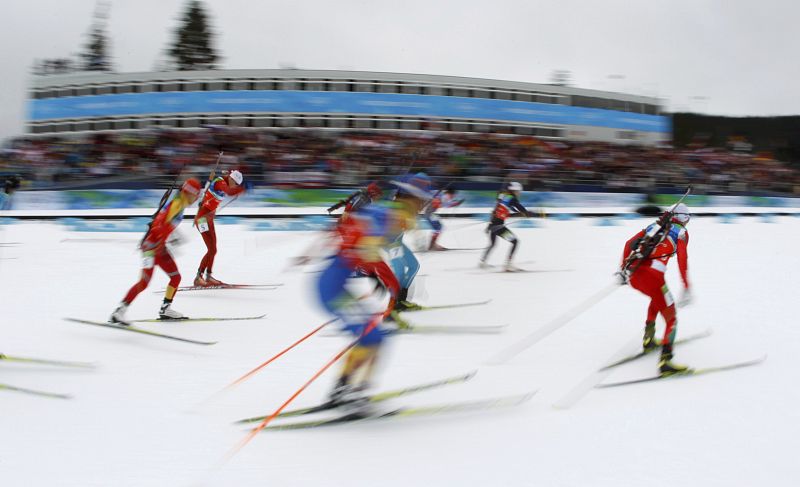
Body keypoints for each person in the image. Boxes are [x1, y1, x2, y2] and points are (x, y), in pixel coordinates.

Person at [318, 176, 430, 416]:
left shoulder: (386, 217)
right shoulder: (385, 217)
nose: (419, 210)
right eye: (419, 203)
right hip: (331, 287)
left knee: (373, 337)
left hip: (335, 286)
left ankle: (344, 390)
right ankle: (352, 393)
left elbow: (355, 237)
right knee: (373, 337)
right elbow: (361, 240)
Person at [110, 178, 202, 324]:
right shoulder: (177, 204)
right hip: (150, 247)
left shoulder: (180, 204)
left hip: (159, 247)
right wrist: (161, 240)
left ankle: (165, 309)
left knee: (175, 277)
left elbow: (165, 224)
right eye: (195, 195)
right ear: (188, 193)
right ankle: (119, 312)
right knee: (144, 283)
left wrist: (172, 237)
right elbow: (158, 224)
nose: (196, 198)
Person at [618, 203, 692, 376]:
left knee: (657, 298)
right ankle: (666, 361)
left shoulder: (655, 226)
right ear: (684, 218)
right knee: (671, 317)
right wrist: (686, 285)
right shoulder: (681, 232)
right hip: (653, 278)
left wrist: (623, 268)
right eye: (688, 219)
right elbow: (682, 259)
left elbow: (629, 243)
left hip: (634, 274)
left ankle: (649, 339)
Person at [193, 170, 246, 287]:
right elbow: (230, 192)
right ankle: (198, 277)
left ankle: (209, 276)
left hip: (209, 219)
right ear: (232, 179)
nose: (235, 186)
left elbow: (229, 183)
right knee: (211, 249)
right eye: (236, 184)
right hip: (202, 219)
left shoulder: (226, 180)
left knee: (214, 250)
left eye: (237, 185)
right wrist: (242, 189)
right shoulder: (220, 183)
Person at [479, 181, 536, 271]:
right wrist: (527, 213)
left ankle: (482, 262)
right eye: (518, 191)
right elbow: (519, 207)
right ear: (514, 191)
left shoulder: (503, 198)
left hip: (493, 226)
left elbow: (497, 212)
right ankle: (508, 265)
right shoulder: (512, 198)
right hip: (499, 227)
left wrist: (488, 225)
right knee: (515, 241)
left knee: (492, 244)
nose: (519, 193)